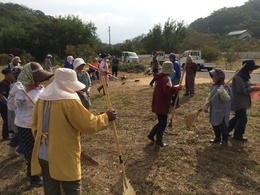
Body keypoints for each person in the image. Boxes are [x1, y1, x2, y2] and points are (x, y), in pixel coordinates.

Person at [30, 68, 117, 195]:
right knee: (72, 187)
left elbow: (34, 126)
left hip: (43, 153)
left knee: (51, 190)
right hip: (63, 155)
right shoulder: (69, 100)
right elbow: (87, 124)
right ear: (67, 84)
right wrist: (106, 117)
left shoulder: (42, 99)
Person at [8, 62, 54, 186]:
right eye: (37, 79)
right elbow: (11, 107)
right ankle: (33, 176)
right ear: (29, 77)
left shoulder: (41, 89)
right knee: (31, 151)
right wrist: (12, 94)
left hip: (40, 124)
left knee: (40, 149)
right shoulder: (21, 90)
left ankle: (37, 170)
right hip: (26, 126)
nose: (39, 82)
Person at [147, 61, 182, 147]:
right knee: (163, 124)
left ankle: (151, 135)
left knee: (161, 122)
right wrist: (175, 89)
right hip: (162, 104)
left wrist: (174, 88)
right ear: (168, 71)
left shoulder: (159, 78)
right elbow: (167, 91)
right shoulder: (166, 79)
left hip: (158, 103)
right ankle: (159, 141)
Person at [228, 59, 260, 141]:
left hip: (241, 101)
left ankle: (226, 129)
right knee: (243, 119)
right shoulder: (239, 77)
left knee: (238, 117)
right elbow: (241, 90)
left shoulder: (243, 75)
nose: (252, 70)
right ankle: (238, 135)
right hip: (238, 101)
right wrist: (253, 88)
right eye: (251, 69)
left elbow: (246, 87)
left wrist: (253, 87)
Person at [205, 68, 232, 146]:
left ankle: (224, 140)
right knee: (215, 124)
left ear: (219, 77)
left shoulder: (225, 87)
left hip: (222, 110)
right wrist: (207, 104)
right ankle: (217, 137)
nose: (212, 78)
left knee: (223, 126)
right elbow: (210, 96)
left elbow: (227, 98)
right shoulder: (213, 86)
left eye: (214, 77)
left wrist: (223, 92)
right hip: (214, 109)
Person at [7, 65, 24, 156]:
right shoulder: (19, 85)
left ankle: (12, 148)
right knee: (21, 132)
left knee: (18, 132)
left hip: (15, 109)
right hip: (17, 110)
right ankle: (21, 151)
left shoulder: (13, 84)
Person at [0, 68, 15, 140]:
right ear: (7, 75)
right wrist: (8, 103)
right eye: (11, 74)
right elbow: (1, 95)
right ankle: (5, 135)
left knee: (10, 119)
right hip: (3, 105)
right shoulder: (3, 83)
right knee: (6, 119)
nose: (12, 75)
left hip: (8, 105)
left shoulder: (10, 83)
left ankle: (11, 131)